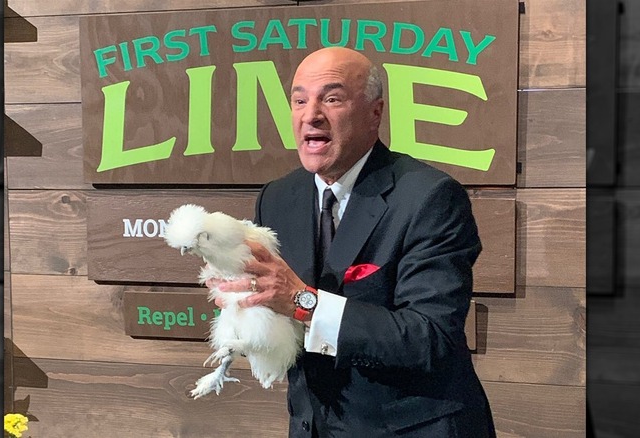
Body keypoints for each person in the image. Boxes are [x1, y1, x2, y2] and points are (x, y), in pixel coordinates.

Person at [211, 47, 496, 437]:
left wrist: (303, 302)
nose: (311, 115)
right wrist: (244, 305)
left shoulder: (429, 197)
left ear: (374, 112)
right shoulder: (278, 198)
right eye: (299, 100)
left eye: (331, 98)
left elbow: (430, 338)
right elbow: (284, 325)